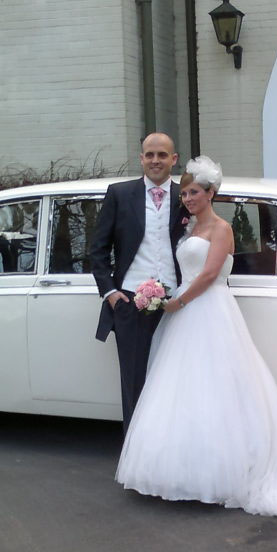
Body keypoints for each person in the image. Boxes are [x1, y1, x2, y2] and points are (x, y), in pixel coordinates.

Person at [116, 156, 277, 517]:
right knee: (183, 390)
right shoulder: (189, 228)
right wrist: (159, 293)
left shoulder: (221, 229)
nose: (188, 198)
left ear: (211, 193)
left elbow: (210, 274)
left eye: (194, 192)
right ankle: (183, 471)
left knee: (220, 388)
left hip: (208, 309)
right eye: (186, 193)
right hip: (183, 314)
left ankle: (224, 472)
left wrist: (178, 301)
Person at [89, 132, 190, 434]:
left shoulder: (186, 196)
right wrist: (110, 293)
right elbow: (97, 249)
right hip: (130, 302)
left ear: (174, 159)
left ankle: (170, 446)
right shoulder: (120, 194)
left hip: (177, 302)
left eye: (162, 155)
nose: (155, 160)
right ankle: (136, 455)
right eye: (150, 155)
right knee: (134, 381)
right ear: (141, 158)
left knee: (176, 378)